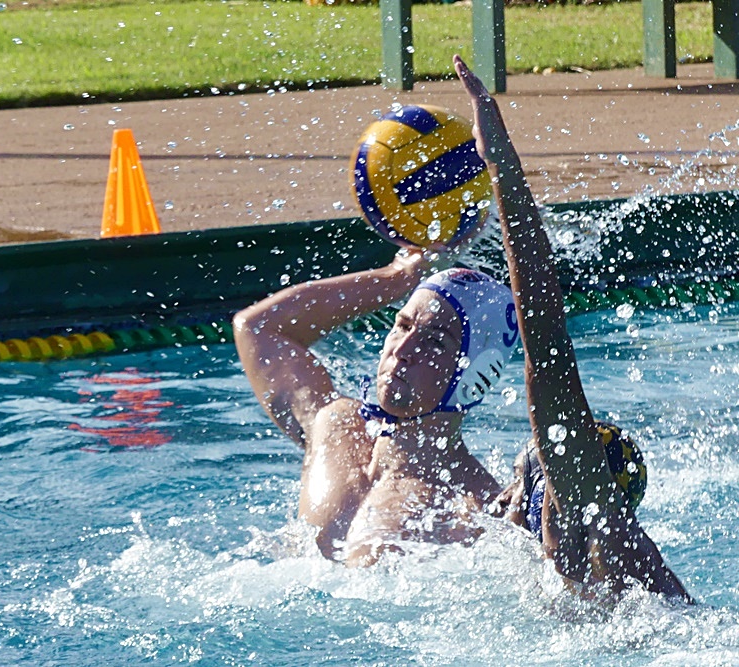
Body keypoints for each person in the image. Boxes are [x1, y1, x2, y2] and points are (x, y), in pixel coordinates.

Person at [453, 54, 691, 602]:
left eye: (523, 477)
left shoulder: (593, 524)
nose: (509, 498)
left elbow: (550, 352)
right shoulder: (604, 565)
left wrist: (503, 169)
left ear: (558, 481)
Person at [232, 238, 520, 565]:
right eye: (403, 326)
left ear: (473, 373)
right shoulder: (336, 426)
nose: (402, 349)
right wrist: (400, 275)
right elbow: (257, 327)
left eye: (435, 341)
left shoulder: (475, 514)